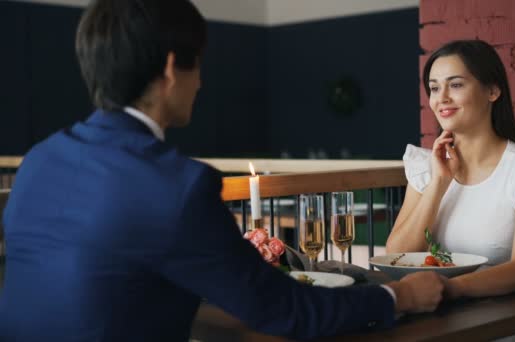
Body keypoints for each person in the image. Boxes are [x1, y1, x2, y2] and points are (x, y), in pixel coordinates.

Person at [0, 1, 446, 341]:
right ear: (173, 67)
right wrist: (399, 296)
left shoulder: (40, 160)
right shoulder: (176, 186)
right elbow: (282, 309)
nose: (202, 82)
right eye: (199, 64)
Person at [386, 40, 515, 300]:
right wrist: (438, 183)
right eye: (434, 88)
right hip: (439, 303)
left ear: (493, 91)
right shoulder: (427, 168)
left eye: (456, 84)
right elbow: (396, 254)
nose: (442, 98)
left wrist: (450, 289)